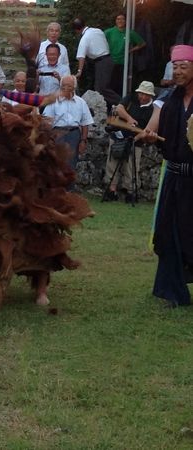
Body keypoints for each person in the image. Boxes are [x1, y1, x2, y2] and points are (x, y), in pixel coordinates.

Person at [139, 45, 193, 308]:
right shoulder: (168, 99)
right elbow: (152, 126)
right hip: (174, 178)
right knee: (168, 233)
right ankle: (173, 292)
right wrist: (147, 135)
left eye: (184, 67)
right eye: (176, 66)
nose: (179, 71)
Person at [102, 81, 155, 203]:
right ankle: (111, 190)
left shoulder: (153, 109)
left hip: (136, 141)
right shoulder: (131, 98)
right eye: (141, 93)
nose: (142, 97)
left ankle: (130, 192)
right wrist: (129, 118)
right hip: (118, 136)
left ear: (150, 96)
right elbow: (120, 108)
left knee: (131, 167)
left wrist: (136, 138)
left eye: (145, 94)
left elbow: (148, 129)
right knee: (112, 163)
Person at [42, 75, 94, 176]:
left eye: (69, 86)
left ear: (74, 87)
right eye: (63, 86)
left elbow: (85, 124)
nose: (66, 89)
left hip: (74, 134)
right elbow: (46, 121)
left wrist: (83, 141)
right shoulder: (54, 101)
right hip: (57, 134)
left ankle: (69, 189)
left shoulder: (81, 102)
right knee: (56, 161)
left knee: (71, 163)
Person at [73, 18, 120, 109]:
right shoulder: (98, 31)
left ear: (77, 30)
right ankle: (111, 108)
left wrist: (79, 71)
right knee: (102, 87)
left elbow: (81, 57)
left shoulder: (85, 38)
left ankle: (121, 104)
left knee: (102, 89)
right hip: (109, 60)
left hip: (101, 62)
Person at [104, 13, 146, 96]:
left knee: (120, 86)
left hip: (123, 63)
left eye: (122, 19)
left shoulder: (129, 32)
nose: (120, 21)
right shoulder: (109, 32)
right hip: (110, 63)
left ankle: (119, 104)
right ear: (115, 21)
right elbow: (100, 40)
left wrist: (130, 50)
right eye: (118, 19)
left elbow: (142, 43)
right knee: (109, 85)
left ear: (126, 21)